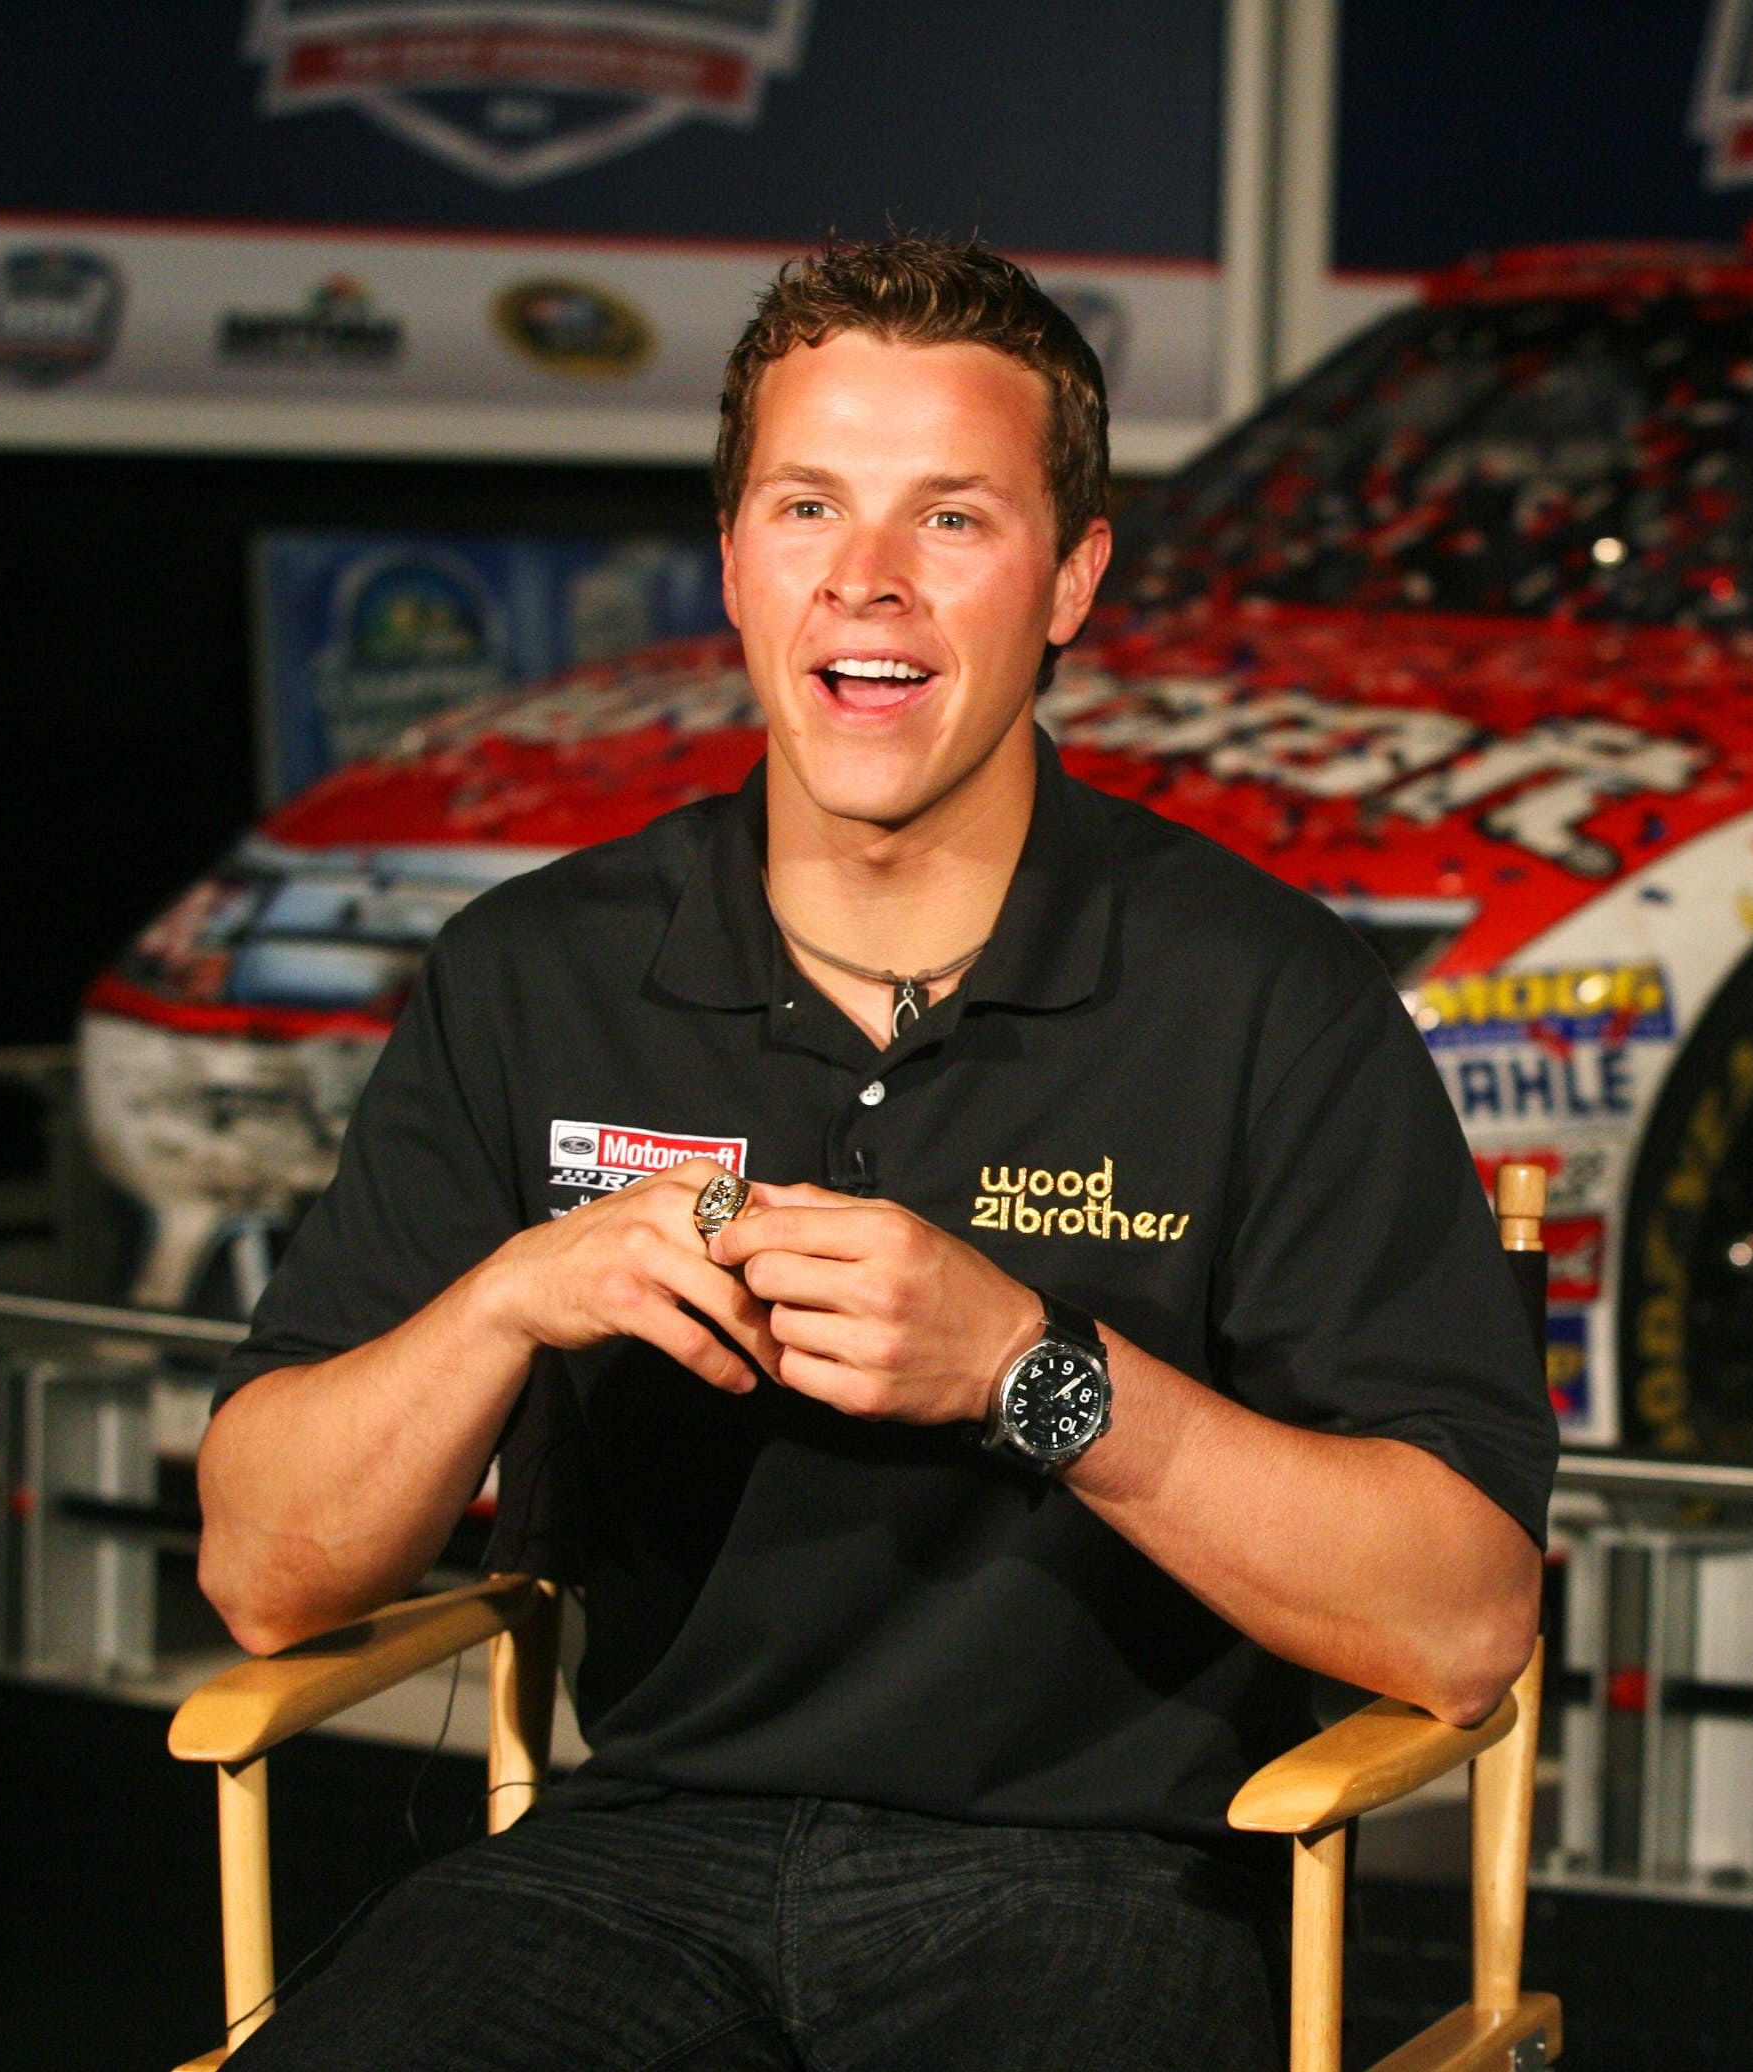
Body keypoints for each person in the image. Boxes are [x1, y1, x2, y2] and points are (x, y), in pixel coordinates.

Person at [193, 233, 1556, 2071]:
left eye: (956, 521)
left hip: (1096, 1887)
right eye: (811, 504)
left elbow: (1463, 1620)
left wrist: (1028, 1371)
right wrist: (509, 1303)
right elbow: (265, 1574)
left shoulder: (1265, 994)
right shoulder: (538, 970)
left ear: (1073, 579)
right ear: (737, 559)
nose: (870, 584)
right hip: (631, 1866)